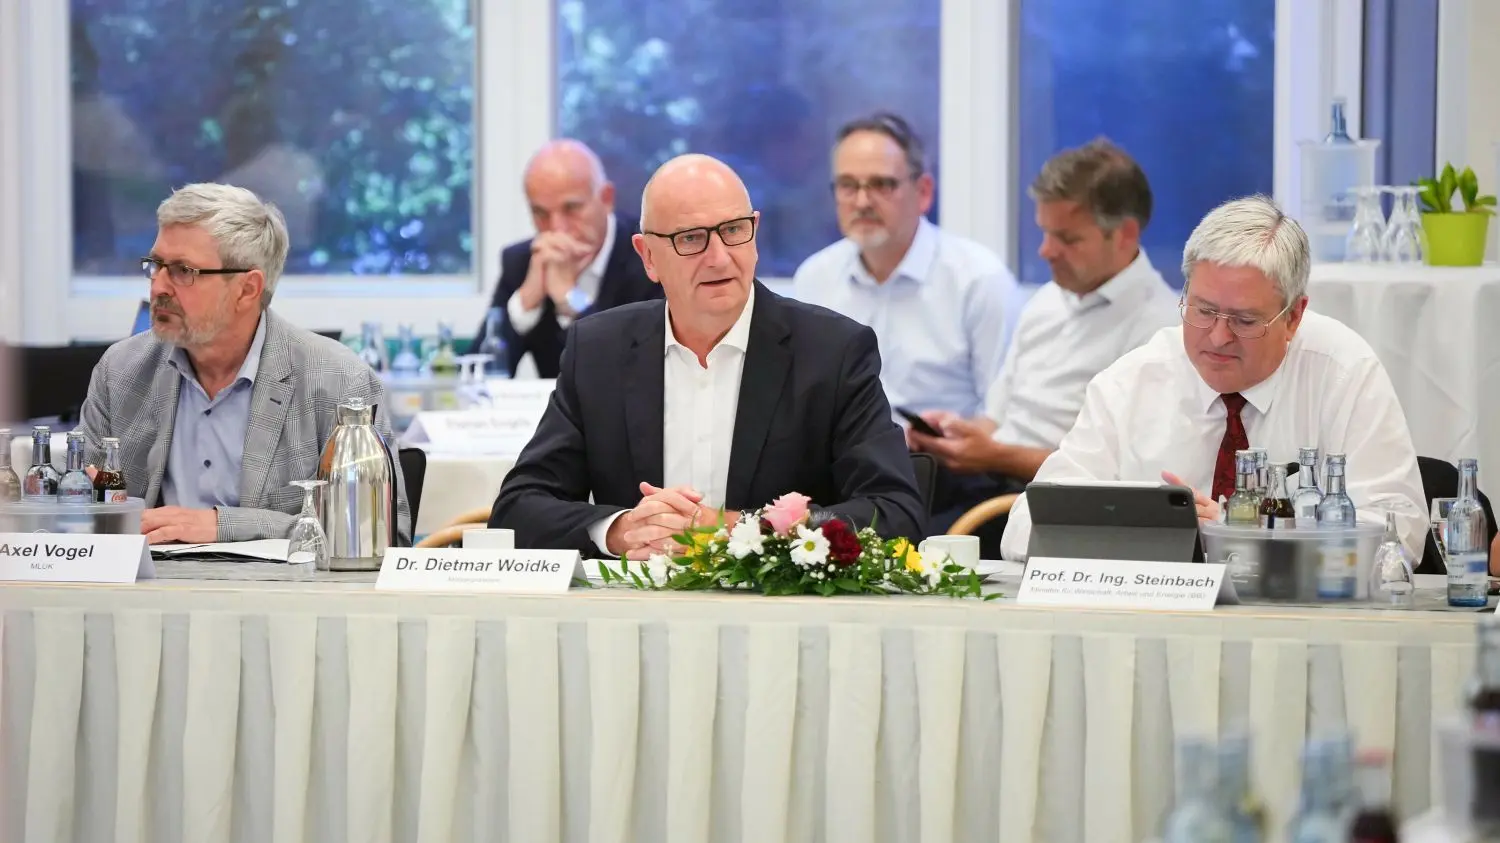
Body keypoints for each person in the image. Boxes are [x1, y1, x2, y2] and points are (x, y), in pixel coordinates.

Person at [490, 154, 924, 558]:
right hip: (632, 614)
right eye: (691, 239)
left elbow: (896, 513)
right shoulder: (599, 349)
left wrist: (742, 528)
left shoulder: (832, 351)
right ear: (648, 257)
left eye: (734, 230)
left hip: (778, 619)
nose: (719, 258)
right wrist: (621, 530)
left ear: (754, 233)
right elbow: (518, 509)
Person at [999, 195, 1426, 561]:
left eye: (1244, 320)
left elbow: (1400, 532)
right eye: (1203, 311)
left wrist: (1252, 535)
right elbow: (1022, 526)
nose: (1218, 337)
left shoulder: (1342, 372)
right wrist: (1135, 530)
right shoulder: (1132, 381)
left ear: (1294, 316)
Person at [77, 183, 411, 544]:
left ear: (248, 289)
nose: (158, 287)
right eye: (155, 265)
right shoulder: (121, 372)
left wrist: (225, 527)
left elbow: (380, 535)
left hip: (281, 596)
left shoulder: (339, 383)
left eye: (183, 271)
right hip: (154, 593)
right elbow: (79, 520)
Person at [907, 139, 1178, 547]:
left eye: (1067, 239)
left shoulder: (1159, 328)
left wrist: (993, 455)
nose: (1046, 251)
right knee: (869, 499)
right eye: (1045, 233)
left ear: (1124, 234)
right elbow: (996, 419)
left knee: (904, 543)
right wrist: (956, 434)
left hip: (1046, 504)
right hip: (986, 478)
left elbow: (1123, 476)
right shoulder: (1048, 299)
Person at [792, 112, 1014, 418]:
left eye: (881, 185)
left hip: (941, 461)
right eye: (847, 185)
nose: (862, 202)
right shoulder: (814, 278)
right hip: (841, 460)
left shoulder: (978, 279)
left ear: (923, 192)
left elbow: (1002, 415)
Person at [473, 139, 662, 378]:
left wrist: (570, 299)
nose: (557, 228)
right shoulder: (523, 262)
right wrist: (525, 301)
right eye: (540, 213)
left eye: (571, 209)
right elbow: (477, 376)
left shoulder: (649, 255)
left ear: (606, 199)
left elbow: (637, 374)